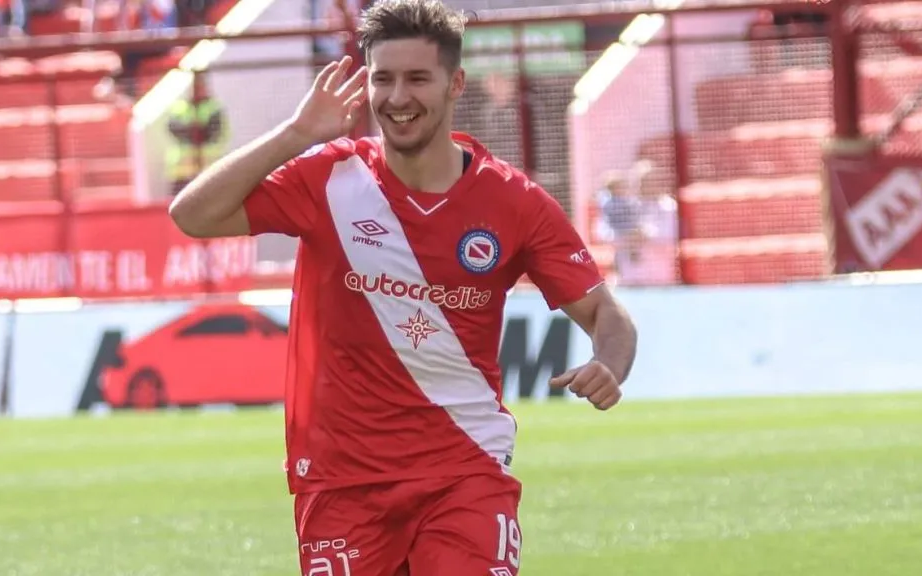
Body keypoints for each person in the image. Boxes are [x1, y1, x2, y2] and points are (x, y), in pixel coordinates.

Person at [168, 0, 638, 574]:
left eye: (417, 78)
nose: (397, 97)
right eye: (383, 79)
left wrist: (609, 364)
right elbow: (193, 215)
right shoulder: (330, 177)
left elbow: (605, 314)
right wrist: (295, 134)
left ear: (455, 83)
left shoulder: (514, 202)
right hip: (343, 481)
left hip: (465, 470)